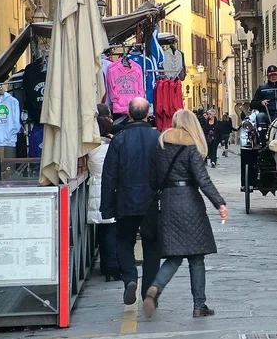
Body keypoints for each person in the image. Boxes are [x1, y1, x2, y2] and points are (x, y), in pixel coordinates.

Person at [143, 110, 228, 319]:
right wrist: (220, 203)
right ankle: (199, 305)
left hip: (169, 202)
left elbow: (152, 179)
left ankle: (155, 287)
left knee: (174, 256)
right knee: (197, 257)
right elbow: (203, 179)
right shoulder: (191, 147)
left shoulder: (160, 146)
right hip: (190, 201)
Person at [100, 97, 161, 305]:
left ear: (128, 114)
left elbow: (109, 176)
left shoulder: (118, 139)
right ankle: (148, 293)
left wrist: (106, 208)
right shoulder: (158, 138)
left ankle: (129, 279)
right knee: (152, 247)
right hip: (152, 202)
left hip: (125, 200)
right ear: (148, 114)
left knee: (124, 241)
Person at [87, 108, 119, 281]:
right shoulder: (111, 147)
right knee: (112, 230)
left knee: (102, 230)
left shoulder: (90, 148)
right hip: (110, 190)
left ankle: (106, 266)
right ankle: (113, 266)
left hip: (95, 190)